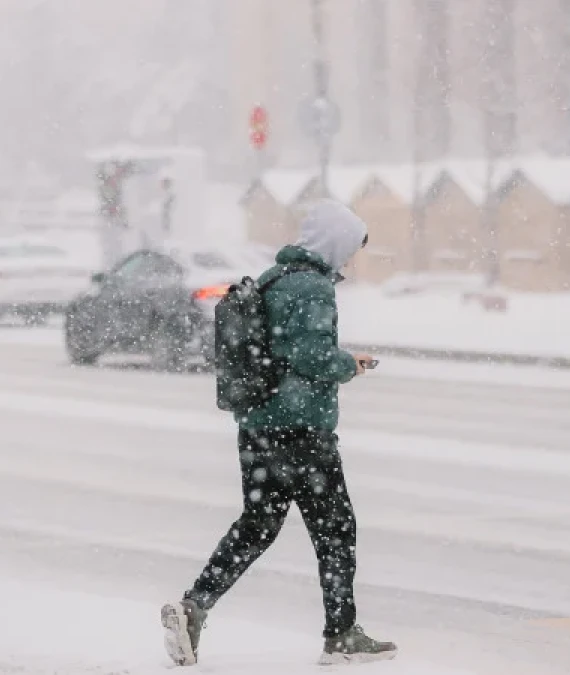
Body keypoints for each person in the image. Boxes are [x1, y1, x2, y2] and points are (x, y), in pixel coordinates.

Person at [161, 199, 396, 666]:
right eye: (347, 249)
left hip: (259, 427)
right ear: (333, 244)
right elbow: (309, 358)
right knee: (335, 529)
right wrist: (351, 363)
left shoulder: (273, 279)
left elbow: (280, 349)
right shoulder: (313, 287)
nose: (348, 260)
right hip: (301, 427)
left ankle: (195, 607)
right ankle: (341, 635)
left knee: (258, 525)